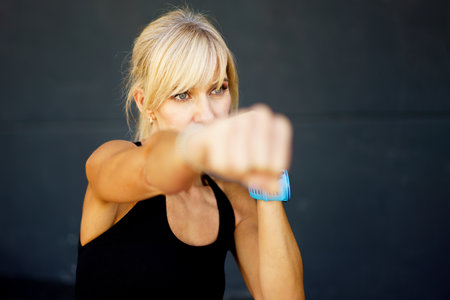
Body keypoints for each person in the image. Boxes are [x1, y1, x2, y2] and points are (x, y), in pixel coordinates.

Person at [75, 7, 304, 300]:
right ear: (145, 103)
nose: (207, 115)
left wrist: (268, 178)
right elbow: (151, 170)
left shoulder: (234, 203)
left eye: (217, 89)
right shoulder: (109, 161)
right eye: (182, 95)